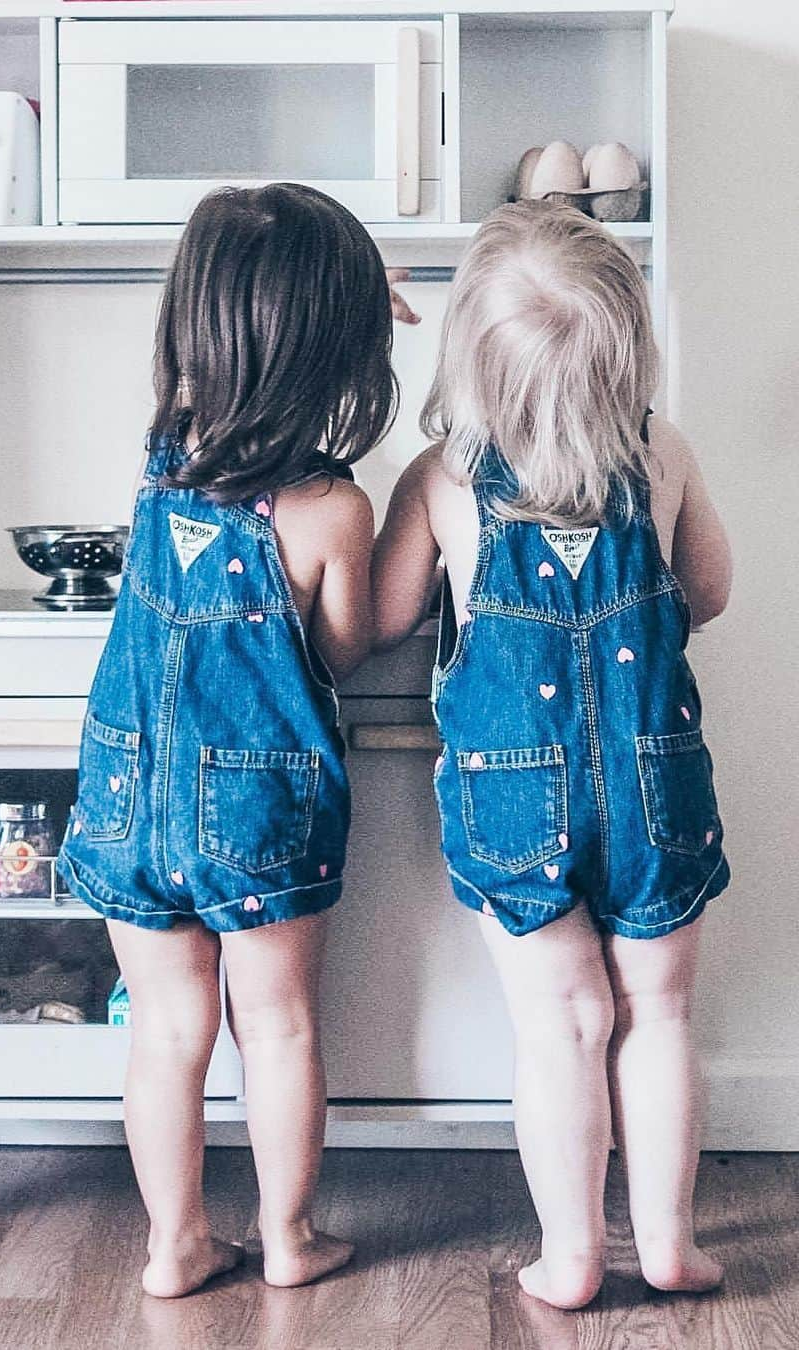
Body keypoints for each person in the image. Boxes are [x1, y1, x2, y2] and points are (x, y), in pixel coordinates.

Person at [373, 200, 732, 1309]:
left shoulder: (443, 478)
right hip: (651, 780)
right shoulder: (661, 456)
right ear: (629, 347)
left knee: (564, 1025)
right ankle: (667, 1244)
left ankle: (573, 1256)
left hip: (512, 802)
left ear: (472, 362)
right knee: (658, 1015)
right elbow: (709, 592)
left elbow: (383, 619)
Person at [58, 183, 399, 1298]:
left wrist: (313, 306)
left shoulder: (167, 453)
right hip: (257, 805)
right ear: (338, 354)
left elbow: (234, 343)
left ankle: (174, 1248)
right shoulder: (331, 511)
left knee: (164, 1032)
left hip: (128, 785)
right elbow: (340, 651)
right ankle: (292, 1240)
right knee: (281, 1029)